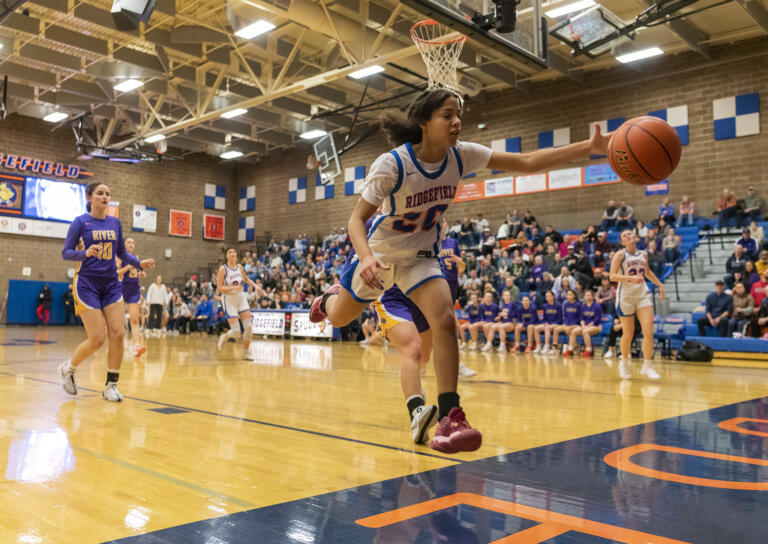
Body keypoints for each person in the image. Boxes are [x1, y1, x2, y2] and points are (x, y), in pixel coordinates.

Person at [308, 88, 610, 453]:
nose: (457, 122)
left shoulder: (462, 155)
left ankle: (451, 417)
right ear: (424, 123)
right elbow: (356, 220)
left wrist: (587, 149)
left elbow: (527, 161)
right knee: (340, 319)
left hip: (421, 256)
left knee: (446, 319)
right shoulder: (392, 164)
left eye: (459, 114)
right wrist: (367, 257)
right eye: (447, 115)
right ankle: (326, 301)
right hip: (382, 256)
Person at [58, 182, 155, 402]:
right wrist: (85, 254)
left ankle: (111, 385)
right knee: (98, 339)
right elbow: (66, 252)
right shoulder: (80, 223)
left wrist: (140, 264)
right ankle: (68, 369)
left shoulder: (114, 223)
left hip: (111, 283)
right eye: (100, 193)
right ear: (89, 197)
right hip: (87, 283)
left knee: (118, 333)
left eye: (108, 194)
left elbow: (121, 252)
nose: (105, 197)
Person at [609, 230, 665, 381]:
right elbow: (612, 276)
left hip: (642, 295)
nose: (628, 235)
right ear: (622, 241)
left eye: (630, 233)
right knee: (628, 334)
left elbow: (647, 272)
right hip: (625, 296)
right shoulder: (620, 255)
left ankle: (648, 365)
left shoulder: (643, 254)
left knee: (649, 332)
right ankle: (624, 363)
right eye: (625, 235)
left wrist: (660, 285)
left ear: (635, 238)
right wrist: (630, 278)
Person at [216, 247, 259, 359]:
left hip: (241, 298)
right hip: (229, 299)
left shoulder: (240, 267)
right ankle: (224, 337)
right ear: (226, 256)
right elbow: (219, 288)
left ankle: (245, 353)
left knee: (248, 327)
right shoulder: (223, 269)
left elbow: (245, 279)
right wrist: (232, 288)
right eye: (229, 252)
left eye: (234, 252)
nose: (232, 254)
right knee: (236, 332)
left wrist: (255, 286)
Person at [117, 237, 147, 357]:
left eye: (133, 242)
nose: (131, 244)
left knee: (135, 319)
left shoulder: (136, 258)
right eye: (128, 242)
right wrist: (129, 266)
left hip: (134, 290)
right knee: (119, 321)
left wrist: (140, 274)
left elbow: (133, 273)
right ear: (124, 244)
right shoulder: (120, 257)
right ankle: (117, 345)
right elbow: (117, 273)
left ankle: (137, 346)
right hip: (121, 289)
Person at [568, 289, 602, 357]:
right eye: (586, 295)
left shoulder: (597, 306)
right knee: (573, 331)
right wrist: (583, 326)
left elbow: (596, 319)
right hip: (585, 326)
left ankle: (588, 350)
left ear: (593, 297)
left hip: (595, 326)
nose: (588, 297)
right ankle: (570, 350)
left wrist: (586, 327)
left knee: (585, 331)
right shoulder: (583, 306)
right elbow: (581, 318)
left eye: (589, 295)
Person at [484, 289, 517, 353]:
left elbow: (516, 315)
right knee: (493, 327)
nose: (507, 297)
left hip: (511, 323)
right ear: (503, 297)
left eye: (508, 295)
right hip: (503, 322)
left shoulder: (513, 304)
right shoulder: (503, 304)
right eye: (505, 295)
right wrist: (499, 317)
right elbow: (502, 316)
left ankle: (502, 345)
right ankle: (489, 344)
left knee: (500, 327)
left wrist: (507, 314)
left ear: (510, 296)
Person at [552, 290, 581, 355]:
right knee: (556, 329)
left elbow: (579, 317)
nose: (569, 296)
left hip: (576, 324)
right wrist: (565, 324)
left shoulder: (578, 304)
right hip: (567, 324)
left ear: (574, 296)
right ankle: (554, 346)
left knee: (568, 330)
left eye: (570, 294)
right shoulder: (566, 304)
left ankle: (574, 345)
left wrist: (571, 325)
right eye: (567, 295)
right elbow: (564, 316)